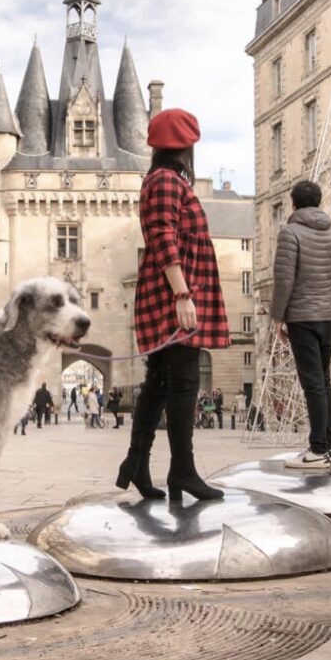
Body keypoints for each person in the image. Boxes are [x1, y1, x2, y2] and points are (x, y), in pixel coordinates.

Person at [115, 108, 230, 502]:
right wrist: (182, 294)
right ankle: (182, 470)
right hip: (171, 294)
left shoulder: (161, 179)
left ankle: (136, 462)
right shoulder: (166, 180)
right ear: (185, 148)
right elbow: (163, 235)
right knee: (183, 382)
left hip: (166, 291)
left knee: (160, 383)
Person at [270, 179, 331, 469]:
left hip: (301, 317)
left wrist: (278, 317)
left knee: (312, 382)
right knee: (324, 380)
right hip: (325, 318)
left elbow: (284, 280)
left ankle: (317, 449)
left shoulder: (289, 233)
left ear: (294, 204)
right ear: (318, 202)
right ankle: (329, 444)